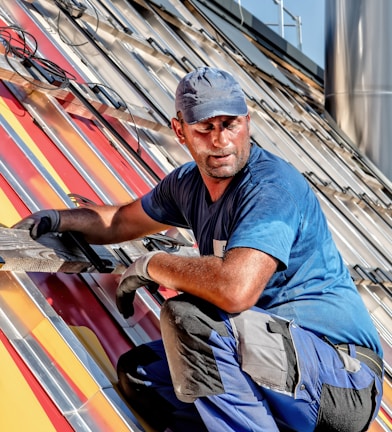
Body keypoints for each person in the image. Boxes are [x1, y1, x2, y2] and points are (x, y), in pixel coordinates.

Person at [14, 67, 383, 432]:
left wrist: (154, 264)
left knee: (190, 319)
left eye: (230, 124)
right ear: (180, 131)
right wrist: (59, 219)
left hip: (340, 378)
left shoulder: (271, 188)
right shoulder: (188, 185)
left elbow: (235, 289)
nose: (221, 140)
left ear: (247, 122)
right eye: (205, 128)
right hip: (274, 365)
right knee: (143, 376)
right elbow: (122, 221)